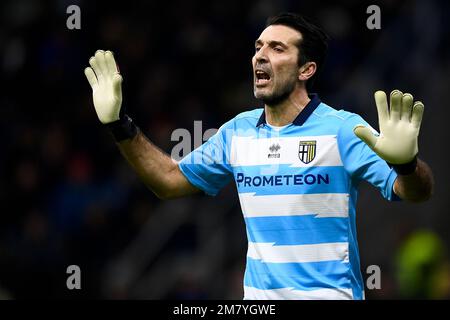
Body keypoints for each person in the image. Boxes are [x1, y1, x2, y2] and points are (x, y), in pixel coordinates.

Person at [84, 12, 434, 300]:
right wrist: (120, 124)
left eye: (277, 48)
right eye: (258, 46)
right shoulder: (237, 132)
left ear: (306, 69)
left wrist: (406, 165)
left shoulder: (343, 129)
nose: (260, 55)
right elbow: (169, 181)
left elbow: (414, 191)